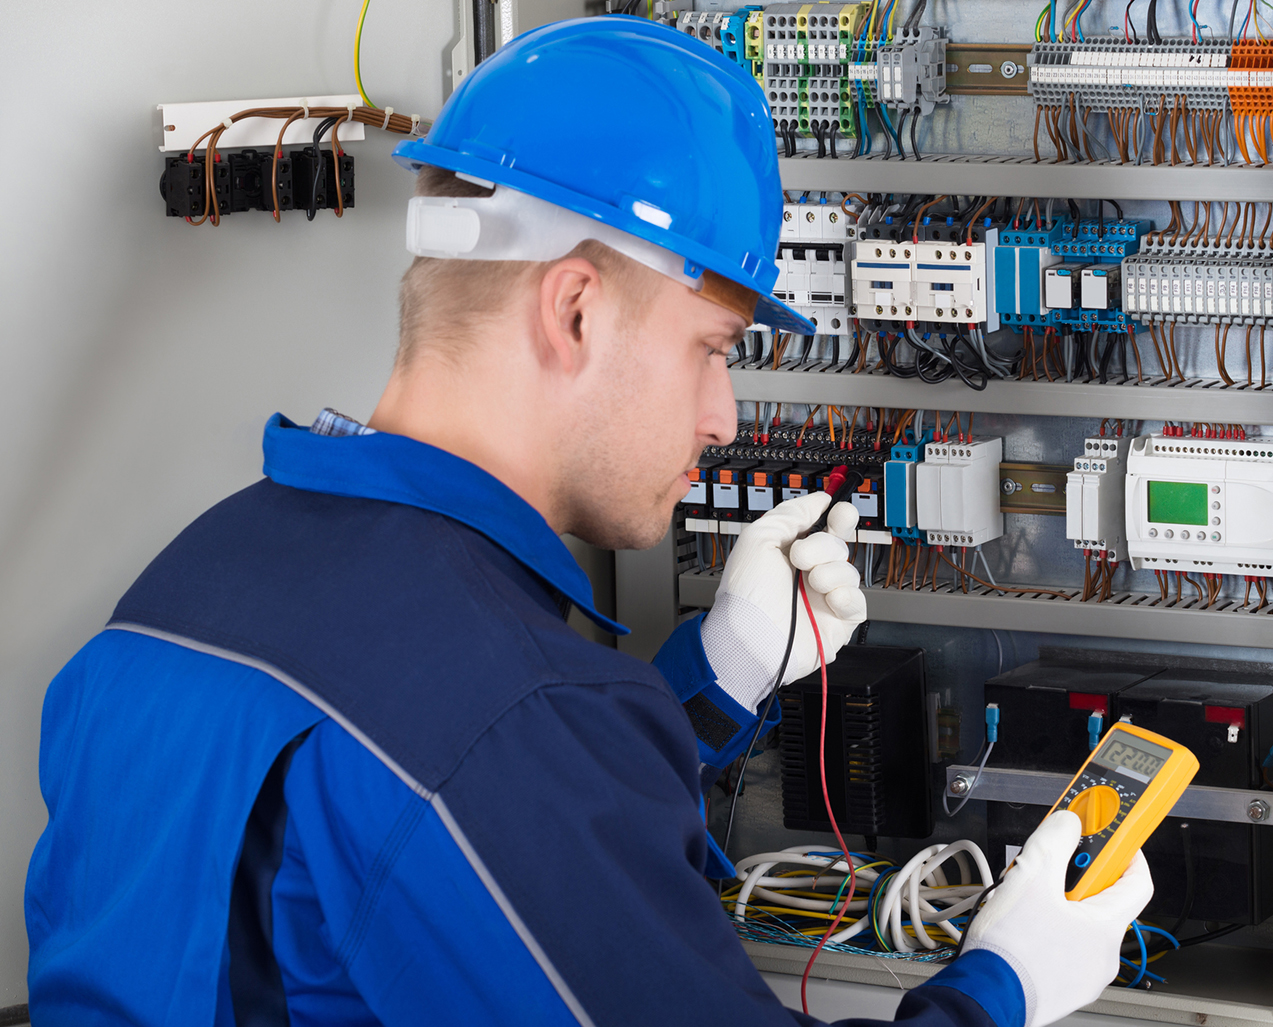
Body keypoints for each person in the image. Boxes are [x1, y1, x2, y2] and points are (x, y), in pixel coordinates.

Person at [24, 16, 1151, 1027]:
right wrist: (1000, 980)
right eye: (712, 352)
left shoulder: (183, 589)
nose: (722, 418)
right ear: (573, 307)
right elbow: (476, 771)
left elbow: (425, 846)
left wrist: (714, 676)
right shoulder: (502, 715)